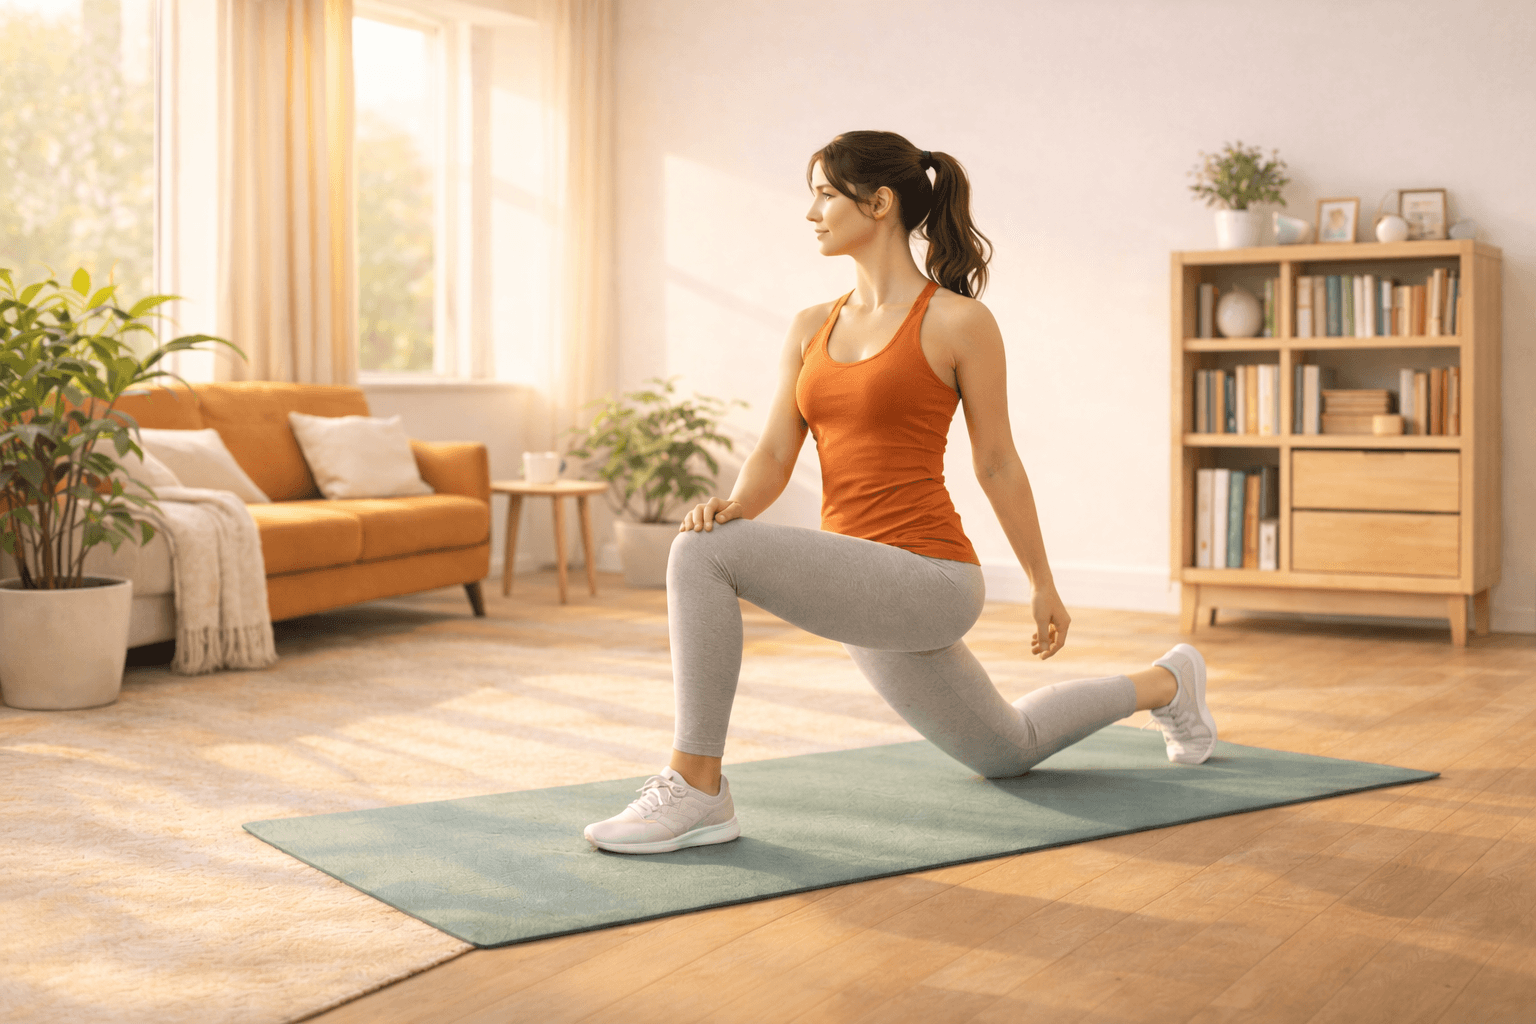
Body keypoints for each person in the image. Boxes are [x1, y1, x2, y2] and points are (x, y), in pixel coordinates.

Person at [584, 130, 1216, 855]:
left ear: (878, 203)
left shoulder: (956, 321)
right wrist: (733, 509)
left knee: (699, 557)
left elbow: (999, 463)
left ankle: (697, 789)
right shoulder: (809, 327)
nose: (812, 212)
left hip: (932, 578)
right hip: (862, 582)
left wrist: (1044, 584)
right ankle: (1169, 684)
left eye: (825, 194)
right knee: (1006, 750)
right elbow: (773, 451)